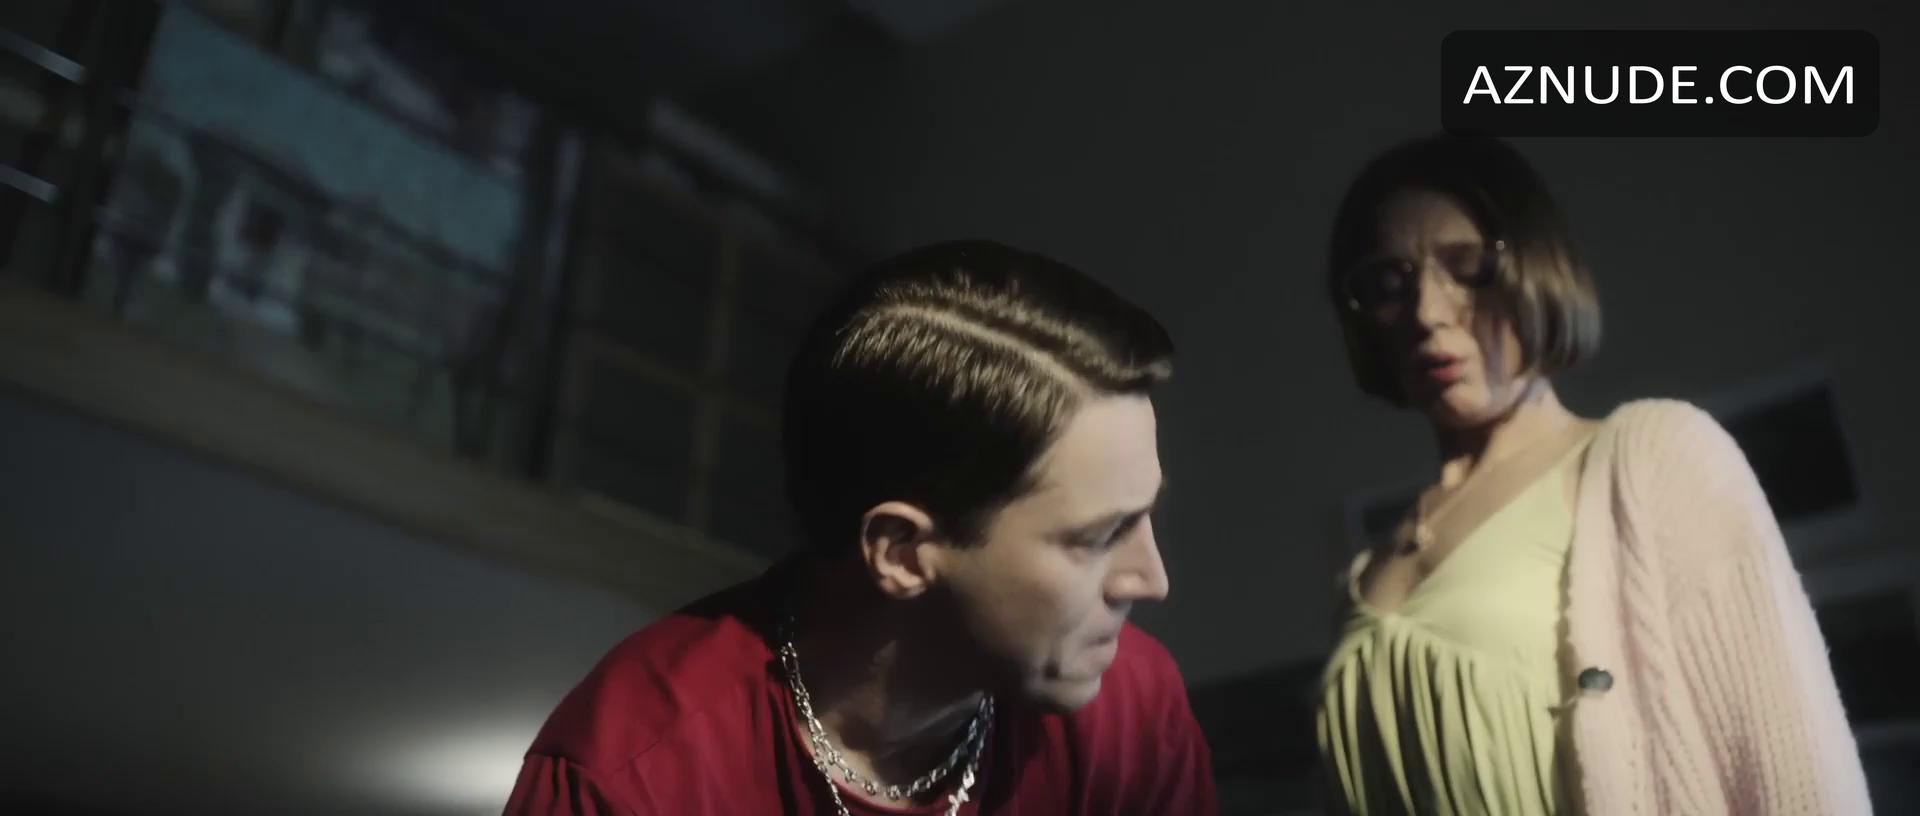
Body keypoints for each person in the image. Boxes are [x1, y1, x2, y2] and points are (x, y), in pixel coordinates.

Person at [506, 240, 1217, 815]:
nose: (1150, 579)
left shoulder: (1131, 711)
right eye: (1097, 537)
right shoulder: (631, 781)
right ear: (901, 552)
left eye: (1145, 516)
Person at [1312, 133, 1872, 815]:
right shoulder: (1363, 574)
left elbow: (1800, 781)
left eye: (1469, 267)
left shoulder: (1655, 460)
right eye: (1388, 285)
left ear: (1534, 267)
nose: (1428, 313)